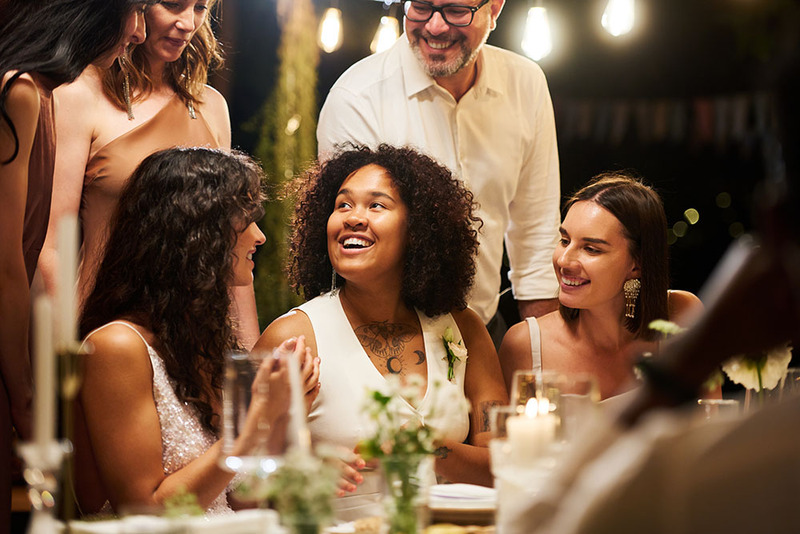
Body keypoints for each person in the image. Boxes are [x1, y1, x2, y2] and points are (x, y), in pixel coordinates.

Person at [255, 144, 509, 519]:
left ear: (417, 229)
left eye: (376, 205)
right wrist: (303, 471)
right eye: (343, 205)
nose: (353, 218)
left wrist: (426, 448)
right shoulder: (291, 338)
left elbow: (504, 467)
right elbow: (242, 483)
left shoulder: (463, 327)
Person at [74, 147, 319, 515]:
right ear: (200, 231)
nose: (260, 236)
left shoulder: (208, 344)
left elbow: (241, 501)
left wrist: (283, 418)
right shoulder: (116, 346)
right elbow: (146, 512)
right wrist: (256, 423)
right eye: (246, 219)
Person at [316, 0, 561, 345]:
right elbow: (353, 254)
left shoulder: (526, 83)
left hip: (485, 329)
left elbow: (536, 236)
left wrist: (543, 358)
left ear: (494, 9)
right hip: (385, 335)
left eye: (456, 10)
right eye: (421, 7)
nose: (435, 26)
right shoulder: (357, 97)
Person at [39, 0, 261, 350]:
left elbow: (231, 250)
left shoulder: (211, 106)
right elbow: (52, 245)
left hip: (195, 338)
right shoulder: (80, 96)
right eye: (173, 5)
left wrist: (249, 363)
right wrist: (64, 352)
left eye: (201, 8)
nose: (188, 23)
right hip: (101, 326)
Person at [0, 1, 146, 529]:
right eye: (132, 11)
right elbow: (8, 264)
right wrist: (22, 395)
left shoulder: (37, 92)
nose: (139, 31)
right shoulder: (20, 92)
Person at [499, 173, 703, 400]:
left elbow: (709, 418)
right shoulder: (524, 345)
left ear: (637, 264)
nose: (564, 261)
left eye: (591, 249)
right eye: (565, 240)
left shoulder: (681, 314)